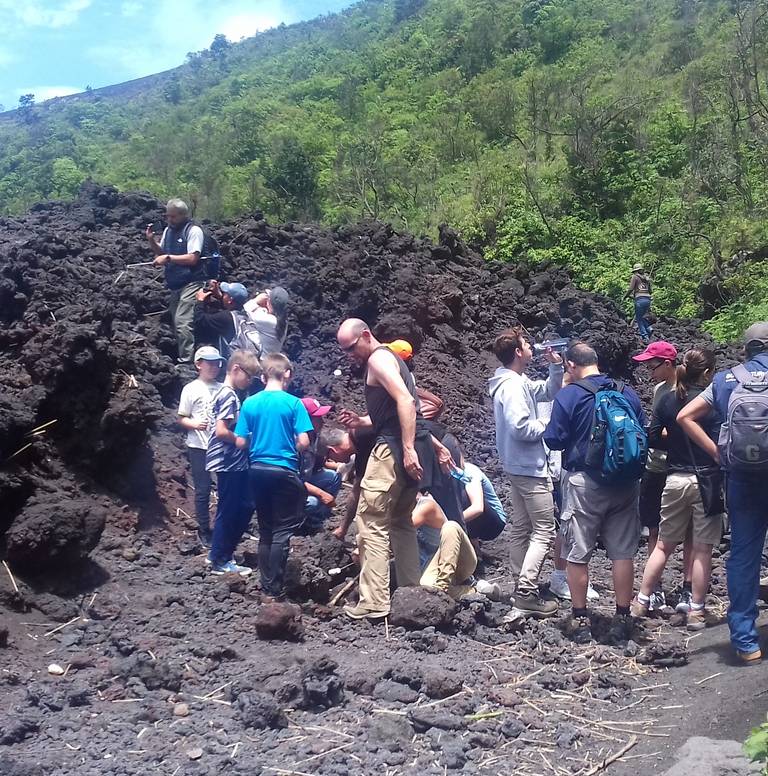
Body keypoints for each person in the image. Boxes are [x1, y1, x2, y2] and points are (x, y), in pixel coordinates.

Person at [336, 318, 450, 620]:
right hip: (408, 446)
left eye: (351, 348)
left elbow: (405, 401)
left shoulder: (378, 359)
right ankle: (411, 593)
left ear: (365, 335)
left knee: (371, 520)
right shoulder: (390, 359)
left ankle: (374, 601)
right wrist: (362, 421)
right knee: (400, 520)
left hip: (393, 450)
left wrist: (408, 448)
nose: (350, 355)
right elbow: (393, 410)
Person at [543, 342, 646, 643]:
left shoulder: (569, 395)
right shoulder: (626, 392)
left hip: (585, 484)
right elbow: (640, 430)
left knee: (578, 553)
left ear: (570, 365)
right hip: (625, 483)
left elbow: (554, 439)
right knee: (622, 553)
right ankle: (623, 616)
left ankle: (580, 619)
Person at [678, 323, 768, 663]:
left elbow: (685, 416)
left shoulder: (727, 380)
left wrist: (718, 453)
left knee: (743, 556)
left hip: (742, 477)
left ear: (749, 348)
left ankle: (746, 642)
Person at [631, 348, 720, 631]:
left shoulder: (668, 400)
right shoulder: (712, 401)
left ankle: (641, 600)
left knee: (662, 545)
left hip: (674, 478)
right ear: (707, 373)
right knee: (702, 550)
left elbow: (653, 437)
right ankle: (696, 611)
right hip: (706, 480)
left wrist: (675, 438)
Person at [488, 326, 563, 617]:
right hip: (529, 468)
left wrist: (555, 366)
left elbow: (546, 391)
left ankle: (521, 583)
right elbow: (520, 427)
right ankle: (527, 592)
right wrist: (551, 425)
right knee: (544, 530)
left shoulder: (515, 381)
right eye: (527, 344)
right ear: (518, 352)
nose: (533, 347)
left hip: (516, 466)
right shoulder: (513, 386)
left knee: (521, 527)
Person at [234, 353, 313, 598]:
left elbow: (240, 442)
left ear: (262, 376)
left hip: (257, 470)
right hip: (283, 470)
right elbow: (304, 442)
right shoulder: (294, 403)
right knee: (282, 531)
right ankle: (275, 589)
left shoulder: (250, 403)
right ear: (287, 374)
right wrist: (289, 445)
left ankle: (266, 584)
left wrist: (259, 442)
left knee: (266, 528)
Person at [632, 341, 693, 613]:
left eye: (652, 366)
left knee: (689, 530)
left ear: (668, 364)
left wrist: (667, 432)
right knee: (654, 528)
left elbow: (667, 430)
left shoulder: (687, 389)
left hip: (678, 466)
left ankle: (688, 587)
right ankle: (655, 588)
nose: (649, 372)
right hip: (656, 465)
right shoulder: (659, 390)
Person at [206, 349, 262, 576]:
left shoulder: (224, 393)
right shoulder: (229, 395)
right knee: (230, 509)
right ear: (236, 369)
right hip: (228, 461)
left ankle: (219, 554)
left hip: (229, 462)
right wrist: (242, 440)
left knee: (237, 506)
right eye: (249, 376)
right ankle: (220, 559)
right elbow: (221, 431)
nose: (249, 382)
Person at [146, 198, 207, 363]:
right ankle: (183, 354)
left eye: (173, 216)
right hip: (175, 283)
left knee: (182, 320)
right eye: (168, 216)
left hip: (193, 281)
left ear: (183, 215)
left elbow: (193, 258)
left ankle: (187, 361)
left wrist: (168, 258)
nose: (169, 219)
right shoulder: (168, 230)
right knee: (175, 320)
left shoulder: (193, 231)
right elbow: (162, 252)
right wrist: (151, 240)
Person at [413, 493, 500, 600]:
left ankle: (442, 586)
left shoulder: (426, 505)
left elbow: (402, 528)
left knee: (450, 526)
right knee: (427, 587)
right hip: (432, 569)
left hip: (460, 560)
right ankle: (474, 590)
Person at [177, 346, 223, 547]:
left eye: (216, 363)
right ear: (198, 364)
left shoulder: (223, 388)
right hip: (198, 446)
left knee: (224, 489)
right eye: (209, 363)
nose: (214, 367)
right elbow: (181, 418)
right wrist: (195, 424)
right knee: (203, 490)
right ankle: (204, 530)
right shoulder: (191, 389)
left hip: (221, 446)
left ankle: (223, 527)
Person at [300, 397, 342, 534]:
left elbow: (318, 463)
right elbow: (293, 479)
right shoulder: (296, 442)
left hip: (305, 480)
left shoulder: (315, 437)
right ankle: (304, 526)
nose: (322, 421)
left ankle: (318, 518)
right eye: (317, 418)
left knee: (333, 477)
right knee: (313, 502)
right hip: (291, 487)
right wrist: (321, 494)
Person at [193, 281, 250, 353]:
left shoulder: (226, 317)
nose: (223, 294)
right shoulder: (244, 314)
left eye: (225, 294)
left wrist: (200, 301)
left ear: (230, 300)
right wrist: (219, 296)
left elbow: (200, 319)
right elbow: (228, 306)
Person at [461, 460, 507, 542]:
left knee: (465, 495)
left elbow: (477, 508)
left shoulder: (469, 471)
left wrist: (448, 523)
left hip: (493, 523)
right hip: (468, 520)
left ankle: (472, 540)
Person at [243, 286, 290, 355]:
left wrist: (256, 300)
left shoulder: (268, 320)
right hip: (269, 359)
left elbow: (244, 311)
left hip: (261, 359)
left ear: (269, 303)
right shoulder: (283, 320)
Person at [626, 263, 653, 341]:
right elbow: (650, 291)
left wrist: (626, 296)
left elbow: (631, 289)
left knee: (639, 319)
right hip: (647, 300)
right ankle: (649, 328)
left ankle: (645, 336)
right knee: (642, 317)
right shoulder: (646, 279)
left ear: (636, 271)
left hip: (640, 300)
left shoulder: (635, 277)